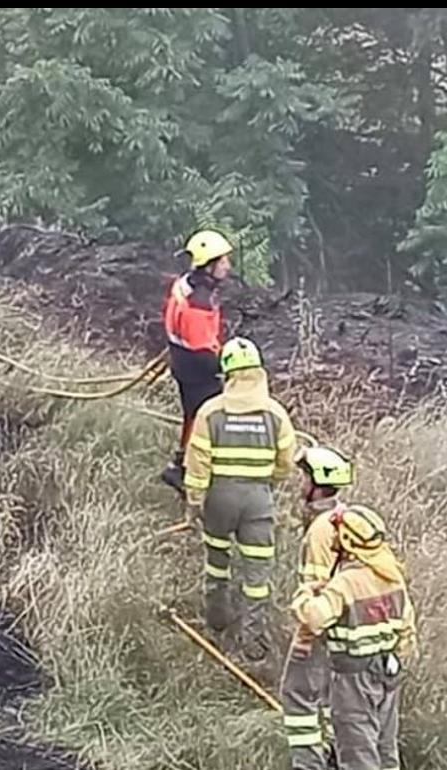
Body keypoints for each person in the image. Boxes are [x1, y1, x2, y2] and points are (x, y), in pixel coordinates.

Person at [183, 336, 297, 661]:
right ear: (259, 372)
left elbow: (197, 462)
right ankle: (254, 643)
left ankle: (216, 620)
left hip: (219, 499)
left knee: (217, 563)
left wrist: (195, 502)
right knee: (257, 574)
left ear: (228, 374)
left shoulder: (211, 412)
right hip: (258, 499)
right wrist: (268, 484)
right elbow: (286, 461)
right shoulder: (275, 413)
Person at [292, 505, 416, 770]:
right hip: (388, 674)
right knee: (385, 749)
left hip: (352, 680)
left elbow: (313, 619)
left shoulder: (346, 583)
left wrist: (305, 593)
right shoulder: (393, 577)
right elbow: (407, 633)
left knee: (358, 752)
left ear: (348, 541)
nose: (334, 538)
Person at [282, 446, 354, 770]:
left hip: (322, 628)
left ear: (316, 484)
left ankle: (308, 763)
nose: (301, 484)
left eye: (305, 477)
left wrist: (303, 641)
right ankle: (337, 755)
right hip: (349, 631)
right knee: (330, 697)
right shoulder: (347, 518)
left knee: (297, 696)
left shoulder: (321, 530)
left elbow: (316, 589)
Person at [160, 229, 234, 493]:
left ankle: (179, 466)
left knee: (192, 417)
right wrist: (232, 367)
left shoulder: (185, 284)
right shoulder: (198, 303)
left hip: (182, 363)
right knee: (207, 423)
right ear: (209, 264)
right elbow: (204, 353)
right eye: (224, 261)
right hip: (197, 370)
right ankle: (192, 477)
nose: (228, 266)